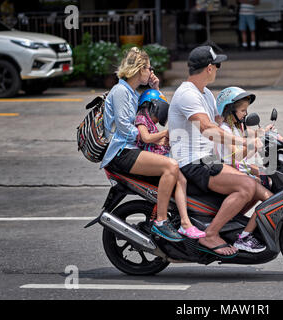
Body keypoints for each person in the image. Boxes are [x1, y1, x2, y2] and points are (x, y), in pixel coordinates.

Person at [168, 45, 271, 257]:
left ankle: (225, 225)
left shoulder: (204, 93)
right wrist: (242, 143)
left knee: (255, 183)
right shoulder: (187, 94)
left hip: (208, 159)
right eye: (218, 65)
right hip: (193, 162)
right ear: (208, 68)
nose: (218, 69)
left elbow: (222, 124)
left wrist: (255, 134)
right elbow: (207, 128)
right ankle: (211, 234)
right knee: (246, 186)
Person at [100, 47, 183, 242]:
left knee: (179, 164)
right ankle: (161, 221)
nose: (151, 72)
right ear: (139, 69)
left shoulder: (133, 93)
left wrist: (155, 89)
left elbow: (152, 116)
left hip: (134, 148)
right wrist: (153, 136)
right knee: (170, 166)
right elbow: (124, 129)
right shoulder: (120, 91)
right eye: (149, 68)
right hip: (122, 152)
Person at [135, 89, 206, 239]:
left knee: (185, 177)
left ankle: (186, 219)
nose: (159, 116)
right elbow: (146, 138)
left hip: (163, 155)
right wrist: (166, 133)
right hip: (155, 160)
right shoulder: (141, 118)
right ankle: (185, 222)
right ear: (152, 106)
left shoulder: (150, 122)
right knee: (182, 180)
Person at [215, 86, 276, 253]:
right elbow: (235, 157)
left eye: (246, 110)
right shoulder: (225, 130)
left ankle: (234, 221)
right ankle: (245, 237)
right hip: (229, 172)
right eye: (242, 110)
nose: (245, 114)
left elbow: (253, 134)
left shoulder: (236, 127)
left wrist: (267, 133)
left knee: (268, 178)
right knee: (271, 201)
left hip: (240, 170)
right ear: (229, 110)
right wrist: (253, 146)